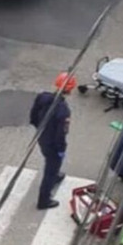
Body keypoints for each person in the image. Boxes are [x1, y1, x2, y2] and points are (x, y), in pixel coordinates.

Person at [28, 73, 75, 210]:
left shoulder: (43, 97)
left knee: (50, 162)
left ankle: (55, 176)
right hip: (52, 144)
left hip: (42, 137)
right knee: (50, 170)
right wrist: (61, 149)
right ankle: (44, 200)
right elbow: (61, 134)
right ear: (70, 89)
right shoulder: (63, 111)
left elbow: (33, 114)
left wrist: (38, 127)